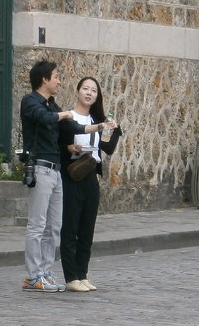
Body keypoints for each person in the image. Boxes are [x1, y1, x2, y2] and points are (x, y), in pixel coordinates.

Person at [58, 76, 122, 291]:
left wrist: (115, 130)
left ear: (97, 96)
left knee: (87, 227)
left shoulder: (98, 120)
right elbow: (60, 146)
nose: (89, 93)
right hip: (71, 175)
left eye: (93, 91)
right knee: (70, 226)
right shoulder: (68, 118)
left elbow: (108, 149)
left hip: (91, 176)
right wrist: (70, 149)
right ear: (77, 91)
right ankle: (71, 277)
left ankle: (82, 274)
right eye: (85, 88)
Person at [20, 60, 78, 292]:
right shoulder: (31, 101)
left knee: (54, 227)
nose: (59, 81)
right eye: (56, 76)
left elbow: (72, 129)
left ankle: (45, 271)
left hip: (56, 171)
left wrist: (98, 127)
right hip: (40, 168)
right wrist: (65, 115)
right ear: (44, 79)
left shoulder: (53, 106)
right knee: (37, 225)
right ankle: (33, 276)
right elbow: (43, 118)